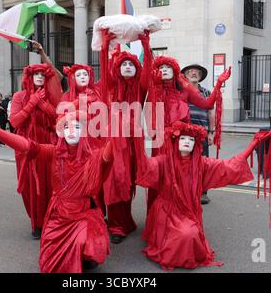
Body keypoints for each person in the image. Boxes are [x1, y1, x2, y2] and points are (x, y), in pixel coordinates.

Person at [0, 110, 112, 273]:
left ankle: (86, 255)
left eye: (77, 126)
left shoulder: (93, 155)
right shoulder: (53, 152)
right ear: (61, 131)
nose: (72, 131)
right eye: (67, 127)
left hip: (84, 214)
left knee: (88, 242)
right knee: (49, 265)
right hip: (59, 215)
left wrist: (119, 130)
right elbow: (26, 146)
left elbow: (110, 151)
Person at [134, 121, 271, 270]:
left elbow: (229, 166)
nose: (187, 142)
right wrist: (137, 139)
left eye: (191, 140)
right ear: (175, 140)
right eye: (183, 138)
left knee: (189, 234)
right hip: (167, 212)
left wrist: (254, 143)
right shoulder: (164, 161)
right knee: (186, 235)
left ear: (196, 144)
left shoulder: (201, 164)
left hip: (188, 212)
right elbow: (145, 166)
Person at [144, 55, 231, 212]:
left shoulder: (185, 90)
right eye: (161, 68)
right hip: (161, 143)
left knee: (179, 177)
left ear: (175, 70)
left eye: (168, 67)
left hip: (181, 143)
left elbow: (208, 104)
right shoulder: (154, 91)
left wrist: (218, 84)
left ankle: (178, 213)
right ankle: (158, 215)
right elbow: (150, 117)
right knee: (162, 177)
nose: (164, 70)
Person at [99, 30, 150, 244]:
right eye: (123, 65)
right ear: (117, 70)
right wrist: (105, 45)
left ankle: (124, 221)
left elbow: (148, 71)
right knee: (113, 182)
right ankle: (115, 224)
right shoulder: (110, 87)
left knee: (128, 183)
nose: (127, 66)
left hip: (132, 143)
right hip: (113, 142)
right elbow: (103, 66)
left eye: (131, 64)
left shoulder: (140, 89)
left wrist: (146, 44)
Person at [10, 63, 63, 239]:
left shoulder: (51, 97)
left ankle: (49, 219)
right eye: (36, 74)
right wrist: (32, 103)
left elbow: (59, 120)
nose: (40, 77)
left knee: (50, 184)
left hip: (48, 145)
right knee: (30, 186)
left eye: (43, 74)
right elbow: (15, 122)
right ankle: (36, 222)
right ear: (29, 77)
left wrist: (45, 106)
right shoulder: (19, 96)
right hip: (27, 146)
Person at [182, 64, 215, 205]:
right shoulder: (180, 92)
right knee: (185, 163)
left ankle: (202, 192)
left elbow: (211, 113)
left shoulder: (207, 92)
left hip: (202, 134)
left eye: (197, 72)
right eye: (190, 71)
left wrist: (211, 132)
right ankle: (186, 190)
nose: (193, 73)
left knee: (202, 163)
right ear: (185, 75)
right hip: (184, 134)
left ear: (201, 76)